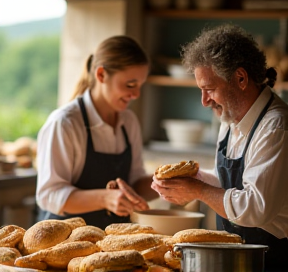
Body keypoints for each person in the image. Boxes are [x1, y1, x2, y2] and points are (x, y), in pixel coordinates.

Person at [151, 24, 288, 272]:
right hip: (237, 256)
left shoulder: (276, 127)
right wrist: (192, 181)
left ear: (241, 78)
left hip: (274, 259)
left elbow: (255, 208)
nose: (204, 102)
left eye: (209, 89)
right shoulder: (229, 118)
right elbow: (229, 183)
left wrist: (198, 190)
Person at [36, 35, 158, 229]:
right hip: (65, 242)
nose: (136, 95)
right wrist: (105, 198)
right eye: (130, 85)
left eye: (140, 86)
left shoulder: (129, 121)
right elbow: (49, 195)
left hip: (112, 242)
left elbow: (134, 183)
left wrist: (165, 182)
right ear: (101, 75)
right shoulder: (65, 123)